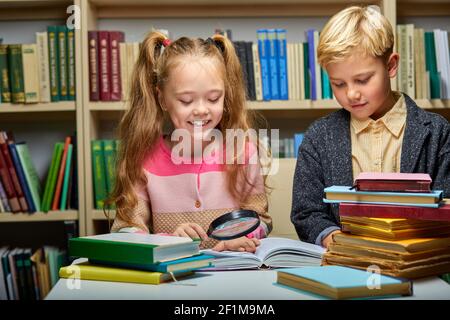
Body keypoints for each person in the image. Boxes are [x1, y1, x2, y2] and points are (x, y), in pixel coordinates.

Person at [291, 5, 450, 248]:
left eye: (363, 80)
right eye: (338, 84)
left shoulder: (437, 133)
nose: (352, 94)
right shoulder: (319, 137)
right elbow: (306, 212)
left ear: (391, 66)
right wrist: (335, 239)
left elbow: (445, 206)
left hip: (416, 264)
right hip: (345, 265)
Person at [108, 31, 272, 252]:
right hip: (171, 281)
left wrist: (240, 238)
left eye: (214, 98)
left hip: (233, 274)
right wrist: (168, 241)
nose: (201, 110)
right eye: (186, 100)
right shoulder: (144, 157)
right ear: (162, 99)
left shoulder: (243, 151)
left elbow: (261, 220)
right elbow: (126, 229)